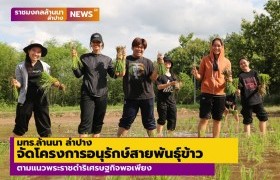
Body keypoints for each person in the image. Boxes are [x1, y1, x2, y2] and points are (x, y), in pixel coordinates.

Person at [12, 41, 62, 137]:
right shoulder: (20, 66)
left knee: (45, 128)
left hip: (41, 99)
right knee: (20, 126)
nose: (36, 54)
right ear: (28, 51)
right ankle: (12, 149)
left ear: (41, 54)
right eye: (33, 50)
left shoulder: (45, 66)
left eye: (38, 52)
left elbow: (48, 82)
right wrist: (15, 84)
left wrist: (56, 84)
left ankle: (46, 150)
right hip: (26, 100)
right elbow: (20, 83)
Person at [72, 33, 116, 137]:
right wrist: (73, 61)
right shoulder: (84, 57)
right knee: (85, 123)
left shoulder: (107, 59)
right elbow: (78, 74)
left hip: (102, 94)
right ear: (91, 44)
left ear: (102, 44)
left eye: (98, 42)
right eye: (94, 42)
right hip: (87, 94)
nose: (96, 44)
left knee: (98, 124)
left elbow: (114, 75)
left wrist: (120, 62)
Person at [117, 37, 159, 137]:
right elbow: (120, 74)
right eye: (137, 47)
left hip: (147, 97)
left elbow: (153, 78)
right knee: (125, 121)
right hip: (131, 97)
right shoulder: (126, 60)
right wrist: (120, 58)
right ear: (132, 47)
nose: (139, 49)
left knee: (150, 122)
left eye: (142, 47)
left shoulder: (148, 62)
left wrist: (158, 66)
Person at [192, 37, 231, 138]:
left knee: (217, 120)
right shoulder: (205, 60)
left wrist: (230, 80)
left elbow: (229, 76)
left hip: (220, 94)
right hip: (206, 92)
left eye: (219, 45)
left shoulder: (227, 62)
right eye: (214, 45)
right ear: (211, 46)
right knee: (204, 118)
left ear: (222, 47)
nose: (216, 47)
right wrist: (196, 75)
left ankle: (215, 143)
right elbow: (200, 76)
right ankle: (201, 142)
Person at [236, 57, 268, 136]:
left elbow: (260, 85)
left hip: (257, 99)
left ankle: (262, 135)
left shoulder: (254, 73)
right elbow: (239, 88)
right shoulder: (240, 76)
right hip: (246, 101)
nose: (243, 65)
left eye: (244, 62)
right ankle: (247, 138)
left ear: (248, 62)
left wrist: (262, 86)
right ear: (240, 66)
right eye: (241, 64)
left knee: (263, 117)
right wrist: (238, 92)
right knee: (247, 120)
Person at [156, 56, 179, 137]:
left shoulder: (173, 75)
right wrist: (169, 84)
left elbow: (177, 86)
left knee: (172, 120)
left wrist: (177, 86)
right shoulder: (160, 75)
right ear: (163, 63)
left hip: (172, 101)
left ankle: (170, 137)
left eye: (169, 62)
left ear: (171, 64)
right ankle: (159, 136)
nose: (168, 63)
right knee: (162, 120)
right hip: (162, 101)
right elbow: (159, 87)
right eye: (166, 62)